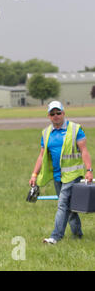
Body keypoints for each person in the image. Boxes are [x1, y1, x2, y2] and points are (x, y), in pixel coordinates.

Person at [29, 101, 93, 244]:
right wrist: (34, 174)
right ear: (49, 116)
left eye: (58, 113)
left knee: (62, 204)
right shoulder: (46, 133)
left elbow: (84, 151)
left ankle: (55, 237)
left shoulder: (76, 129)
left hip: (73, 175)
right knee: (69, 208)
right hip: (58, 176)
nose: (56, 116)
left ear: (63, 113)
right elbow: (41, 155)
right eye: (52, 114)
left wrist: (89, 170)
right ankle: (78, 235)